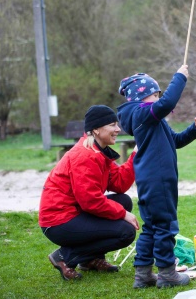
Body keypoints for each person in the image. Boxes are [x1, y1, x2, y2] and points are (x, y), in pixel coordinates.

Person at [117, 65, 196, 288]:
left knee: (152, 227)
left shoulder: (153, 120)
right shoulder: (141, 113)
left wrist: (195, 130)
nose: (159, 98)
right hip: (158, 179)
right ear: (142, 97)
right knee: (165, 226)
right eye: (155, 94)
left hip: (153, 179)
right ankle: (167, 273)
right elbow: (168, 103)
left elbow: (176, 141)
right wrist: (180, 77)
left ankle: (143, 275)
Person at [39, 105, 140, 281]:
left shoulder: (99, 151)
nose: (117, 129)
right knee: (126, 232)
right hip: (58, 221)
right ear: (96, 129)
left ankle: (91, 260)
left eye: (117, 124)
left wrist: (135, 156)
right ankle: (65, 256)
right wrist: (123, 214)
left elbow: (119, 183)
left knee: (123, 200)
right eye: (112, 125)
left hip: (76, 211)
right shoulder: (85, 156)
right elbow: (90, 201)